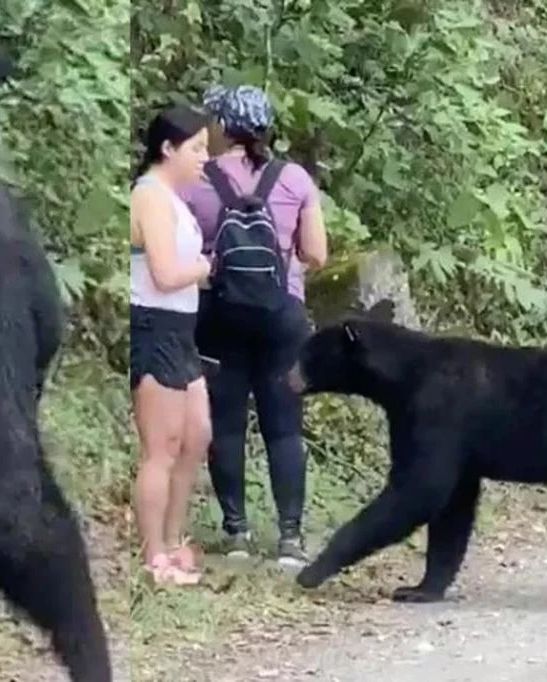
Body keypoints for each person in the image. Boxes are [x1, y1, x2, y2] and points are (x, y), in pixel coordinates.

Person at [178, 84, 328, 568]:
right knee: (284, 427)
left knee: (226, 424)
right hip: (284, 315)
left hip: (219, 315)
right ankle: (289, 539)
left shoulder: (197, 180)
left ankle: (237, 534)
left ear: (223, 127)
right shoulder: (296, 179)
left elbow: (184, 250)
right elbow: (316, 255)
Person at [130, 103, 214, 586]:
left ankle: (175, 535)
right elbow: (164, 275)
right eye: (197, 148)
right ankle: (153, 554)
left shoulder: (176, 199)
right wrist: (206, 267)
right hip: (155, 326)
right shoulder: (150, 197)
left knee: (196, 435)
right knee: (160, 446)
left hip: (182, 329)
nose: (204, 158)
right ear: (168, 148)